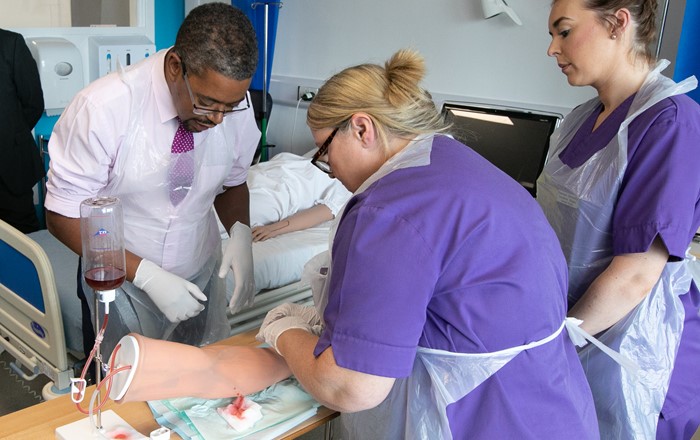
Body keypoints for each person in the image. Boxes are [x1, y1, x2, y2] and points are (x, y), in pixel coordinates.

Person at [256, 49, 600, 439]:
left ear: (363, 128)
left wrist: (283, 333)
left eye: (324, 152)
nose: (330, 169)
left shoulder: (387, 210)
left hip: (484, 420)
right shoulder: (459, 163)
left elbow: (349, 387)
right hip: (552, 408)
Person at [44, 3, 260, 359]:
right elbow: (61, 215)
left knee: (195, 385)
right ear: (176, 68)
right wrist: (145, 275)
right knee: (121, 394)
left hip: (199, 271)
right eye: (206, 103)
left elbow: (233, 182)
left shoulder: (233, 106)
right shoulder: (104, 109)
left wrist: (242, 234)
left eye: (230, 106)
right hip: (119, 281)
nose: (220, 119)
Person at [539, 0, 700, 438]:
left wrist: (552, 348)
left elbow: (635, 275)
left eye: (564, 31)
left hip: (634, 352)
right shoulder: (579, 120)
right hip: (572, 331)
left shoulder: (671, 122)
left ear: (618, 23)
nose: (552, 49)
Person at [245, 151, 351, 242]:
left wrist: (272, 229)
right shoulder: (313, 160)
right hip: (258, 175)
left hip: (278, 194)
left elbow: (314, 216)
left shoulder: (345, 189)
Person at [0, 28, 45, 233]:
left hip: (11, 168)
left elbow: (33, 103)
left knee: (25, 239)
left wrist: (11, 136)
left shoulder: (11, 43)